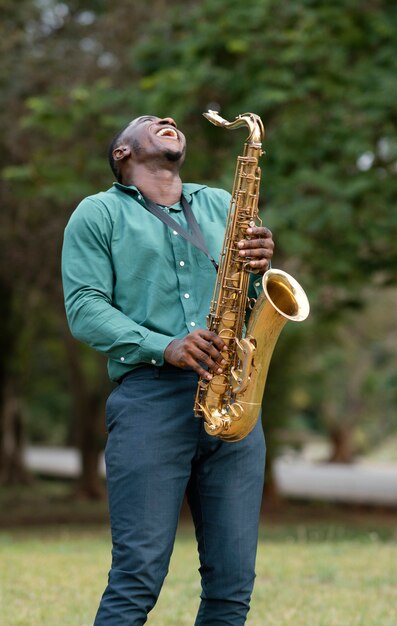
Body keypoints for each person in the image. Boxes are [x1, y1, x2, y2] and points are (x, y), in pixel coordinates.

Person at [61, 114, 275, 625]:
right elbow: (85, 308)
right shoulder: (97, 214)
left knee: (232, 587)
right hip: (150, 401)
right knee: (137, 577)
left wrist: (260, 270)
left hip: (234, 402)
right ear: (122, 152)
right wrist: (165, 346)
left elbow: (244, 303)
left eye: (170, 121)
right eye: (148, 122)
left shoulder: (222, 203)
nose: (167, 120)